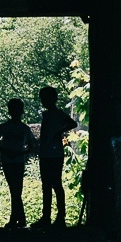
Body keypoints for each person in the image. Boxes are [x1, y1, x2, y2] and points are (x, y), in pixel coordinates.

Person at [0, 97, 35, 229]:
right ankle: (19, 218)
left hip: (10, 161)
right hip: (16, 161)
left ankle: (16, 219)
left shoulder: (5, 127)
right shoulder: (23, 128)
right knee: (16, 189)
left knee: (14, 189)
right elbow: (32, 146)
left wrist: (3, 150)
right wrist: (20, 153)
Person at [35, 85, 77, 228]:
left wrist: (59, 132)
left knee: (54, 185)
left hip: (52, 153)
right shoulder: (49, 114)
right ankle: (50, 217)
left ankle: (58, 217)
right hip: (49, 152)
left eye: (44, 98)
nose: (42, 101)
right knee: (49, 185)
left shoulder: (56, 114)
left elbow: (73, 123)